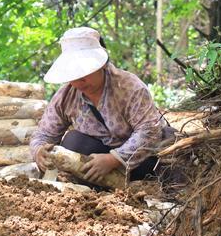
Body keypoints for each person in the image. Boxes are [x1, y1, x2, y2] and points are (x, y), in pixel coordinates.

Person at [30, 27, 170, 187]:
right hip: (96, 165)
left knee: (169, 146)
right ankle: (103, 189)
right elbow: (44, 134)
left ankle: (148, 186)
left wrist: (114, 159)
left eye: (84, 74)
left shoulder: (130, 87)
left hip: (142, 162)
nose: (78, 82)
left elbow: (149, 131)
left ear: (102, 65)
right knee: (73, 141)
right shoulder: (66, 96)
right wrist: (39, 151)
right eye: (73, 76)